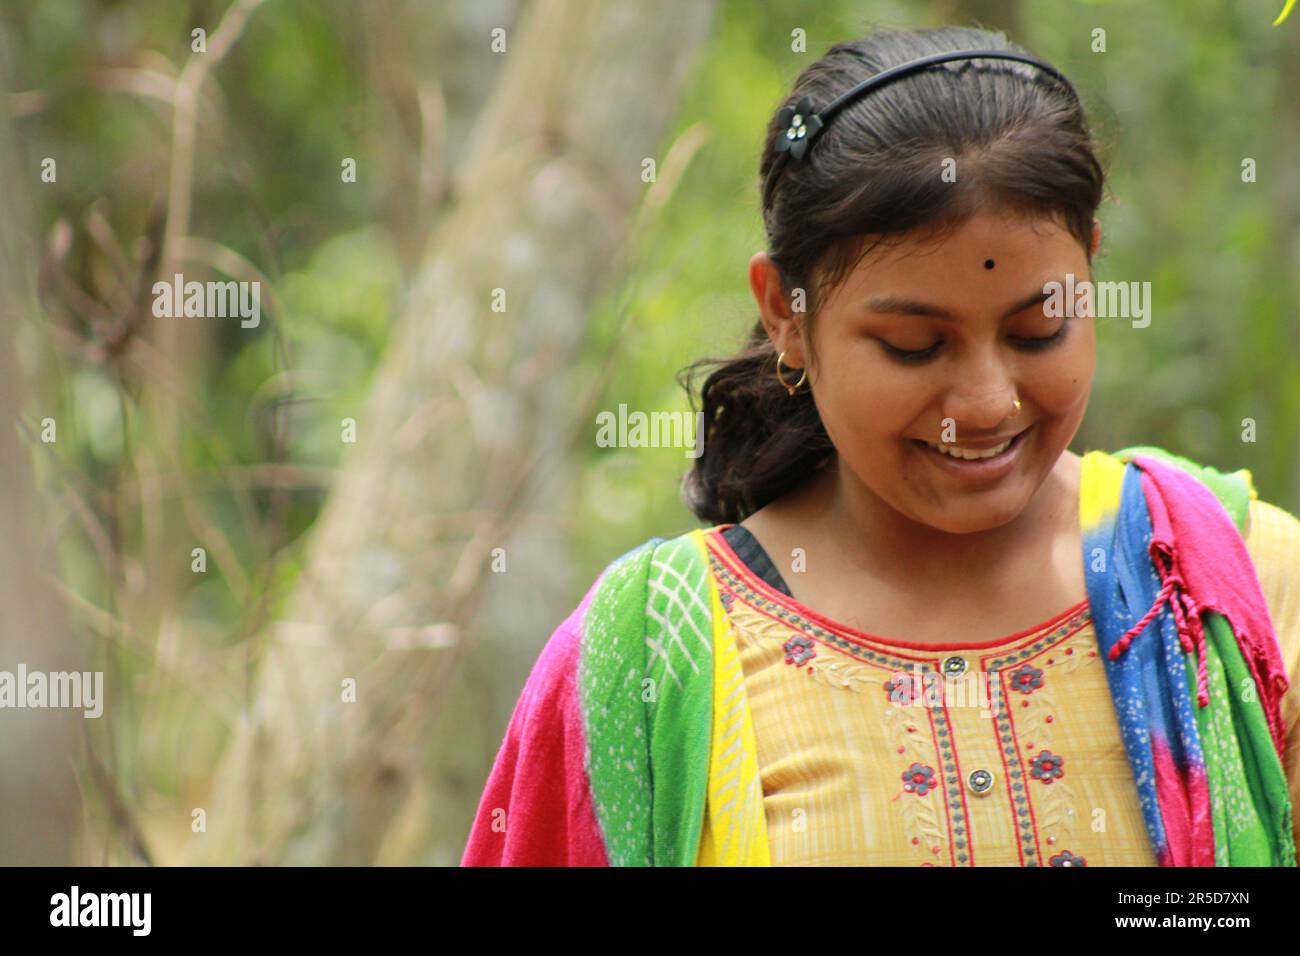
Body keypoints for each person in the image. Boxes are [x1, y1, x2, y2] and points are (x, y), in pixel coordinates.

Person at [461, 25, 1300, 867]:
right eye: (912, 345)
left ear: (1090, 268)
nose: (984, 403)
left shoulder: (1236, 589)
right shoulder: (647, 659)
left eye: (1040, 328)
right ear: (788, 312)